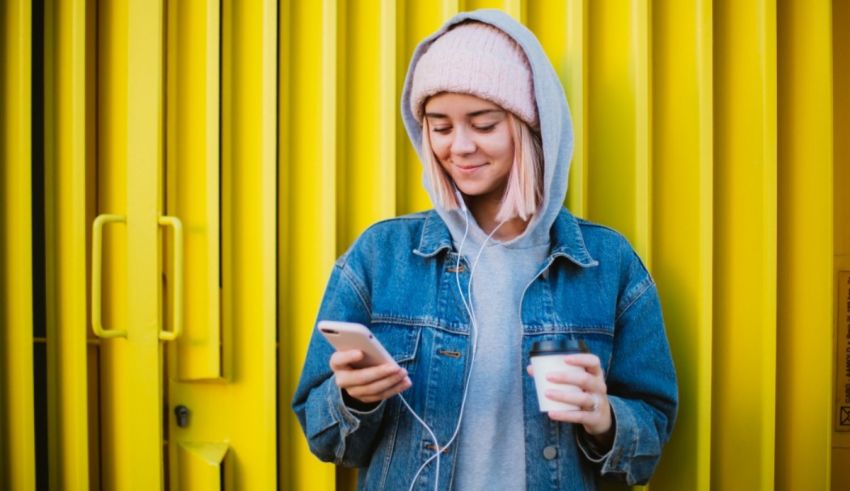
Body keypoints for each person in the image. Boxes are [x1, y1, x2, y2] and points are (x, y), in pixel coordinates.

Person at [292, 9, 677, 490]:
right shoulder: (381, 255)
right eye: (441, 125)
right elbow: (324, 438)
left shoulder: (607, 264)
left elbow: (650, 439)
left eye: (483, 123)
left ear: (530, 125)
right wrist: (354, 400)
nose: (460, 146)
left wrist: (604, 418)